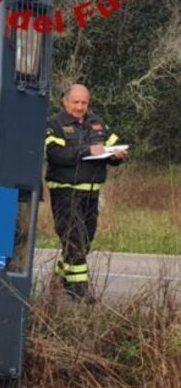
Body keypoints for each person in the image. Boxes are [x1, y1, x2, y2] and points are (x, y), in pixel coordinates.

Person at [44, 84, 128, 300]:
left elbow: (113, 144)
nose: (80, 107)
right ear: (65, 102)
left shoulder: (96, 123)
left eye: (84, 103)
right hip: (65, 190)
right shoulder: (55, 124)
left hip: (91, 191)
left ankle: (60, 277)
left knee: (85, 241)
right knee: (74, 239)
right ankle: (78, 290)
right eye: (76, 102)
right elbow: (55, 154)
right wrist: (86, 150)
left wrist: (116, 154)